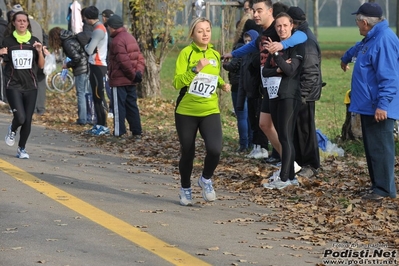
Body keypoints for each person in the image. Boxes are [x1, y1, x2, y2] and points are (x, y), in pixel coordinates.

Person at [341, 2, 399, 201]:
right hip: (369, 105)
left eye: (357, 21)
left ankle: (385, 190)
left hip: (379, 106)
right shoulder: (372, 37)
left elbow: (389, 76)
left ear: (364, 22)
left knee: (381, 148)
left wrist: (383, 104)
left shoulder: (384, 40)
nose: (357, 25)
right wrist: (346, 57)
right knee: (373, 148)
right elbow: (359, 48)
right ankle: (378, 187)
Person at [173, 17, 231, 206]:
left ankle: (205, 179)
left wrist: (223, 85)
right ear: (192, 33)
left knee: (215, 150)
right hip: (187, 111)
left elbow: (212, 78)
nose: (205, 34)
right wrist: (195, 69)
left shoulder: (214, 54)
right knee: (188, 152)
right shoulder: (186, 53)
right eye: (200, 31)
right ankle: (185, 188)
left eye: (208, 30)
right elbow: (177, 82)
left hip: (210, 110)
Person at [261, 12, 304, 189]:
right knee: (282, 136)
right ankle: (290, 176)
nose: (282, 29)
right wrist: (278, 66)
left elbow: (290, 70)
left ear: (291, 25)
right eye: (278, 26)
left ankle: (285, 178)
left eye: (285, 25)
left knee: (286, 138)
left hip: (289, 96)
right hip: (274, 95)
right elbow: (265, 72)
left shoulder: (297, 46)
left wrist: (277, 57)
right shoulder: (274, 46)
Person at [286, 7, 323, 178]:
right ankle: (299, 163)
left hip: (304, 93)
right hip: (298, 91)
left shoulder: (305, 41)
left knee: (305, 130)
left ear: (293, 23)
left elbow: (310, 70)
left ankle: (311, 165)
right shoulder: (298, 37)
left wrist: (303, 95)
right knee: (298, 131)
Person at [3, 11, 45, 159]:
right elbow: (3, 61)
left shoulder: (34, 41)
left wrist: (40, 52)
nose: (21, 23)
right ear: (13, 23)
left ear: (28, 23)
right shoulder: (7, 41)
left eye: (24, 21)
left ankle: (22, 148)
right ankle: (13, 128)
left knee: (27, 120)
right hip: (13, 85)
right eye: (18, 21)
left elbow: (40, 66)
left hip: (31, 86)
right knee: (20, 118)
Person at [107, 14, 145, 139]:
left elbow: (124, 62)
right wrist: (138, 73)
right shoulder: (130, 37)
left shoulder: (117, 41)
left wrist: (133, 75)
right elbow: (139, 57)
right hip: (131, 80)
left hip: (120, 80)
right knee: (132, 106)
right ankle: (137, 131)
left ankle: (119, 132)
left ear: (112, 27)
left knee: (119, 108)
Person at [10, 4, 49, 116]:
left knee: (31, 83)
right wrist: (44, 48)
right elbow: (45, 37)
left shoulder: (20, 28)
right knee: (40, 82)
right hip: (39, 55)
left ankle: (28, 108)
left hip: (29, 58)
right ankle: (40, 108)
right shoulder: (37, 24)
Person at [48, 27, 89, 125]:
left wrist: (68, 65)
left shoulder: (67, 43)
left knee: (81, 94)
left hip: (81, 69)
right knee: (85, 92)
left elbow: (77, 57)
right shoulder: (70, 38)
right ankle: (88, 117)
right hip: (85, 67)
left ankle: (82, 119)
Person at [222, 27, 253, 154]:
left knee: (241, 116)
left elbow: (233, 65)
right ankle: (252, 143)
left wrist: (224, 64)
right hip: (250, 87)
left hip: (237, 86)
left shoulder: (240, 48)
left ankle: (243, 144)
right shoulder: (256, 49)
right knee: (250, 117)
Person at [84, 6, 109, 136]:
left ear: (88, 18)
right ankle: (99, 124)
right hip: (95, 65)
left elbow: (89, 50)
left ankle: (103, 125)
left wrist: (85, 45)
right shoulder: (98, 28)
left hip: (98, 66)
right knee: (95, 96)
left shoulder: (98, 30)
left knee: (98, 96)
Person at [0, 8, 8, 105]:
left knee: (2, 77)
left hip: (2, 54)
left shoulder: (1, 26)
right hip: (5, 53)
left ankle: (2, 98)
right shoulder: (6, 24)